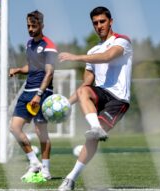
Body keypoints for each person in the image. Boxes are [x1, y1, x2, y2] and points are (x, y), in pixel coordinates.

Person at [58, 6, 133, 190]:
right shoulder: (92, 52)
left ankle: (70, 178)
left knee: (91, 141)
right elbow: (86, 84)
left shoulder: (122, 41)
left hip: (118, 100)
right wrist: (65, 104)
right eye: (95, 23)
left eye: (102, 21)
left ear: (110, 21)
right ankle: (95, 127)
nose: (99, 25)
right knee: (84, 90)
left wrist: (75, 57)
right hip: (100, 94)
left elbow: (107, 57)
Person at [9, 10, 58, 181]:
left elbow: (49, 72)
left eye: (34, 26)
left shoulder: (49, 45)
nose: (30, 29)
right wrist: (18, 70)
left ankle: (46, 170)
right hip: (27, 90)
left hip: (42, 92)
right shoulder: (29, 44)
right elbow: (31, 66)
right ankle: (34, 162)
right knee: (14, 128)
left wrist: (39, 94)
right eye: (28, 26)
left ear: (42, 26)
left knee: (40, 131)